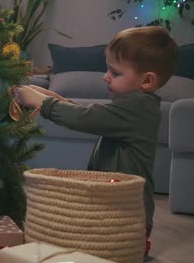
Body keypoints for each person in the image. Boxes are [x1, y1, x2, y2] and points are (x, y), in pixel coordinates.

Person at [15, 26, 178, 256]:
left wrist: (42, 103)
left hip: (126, 213)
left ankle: (136, 246)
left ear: (147, 81)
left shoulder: (139, 107)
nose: (105, 76)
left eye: (116, 72)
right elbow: (93, 115)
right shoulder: (135, 106)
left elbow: (87, 118)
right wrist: (53, 98)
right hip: (111, 207)